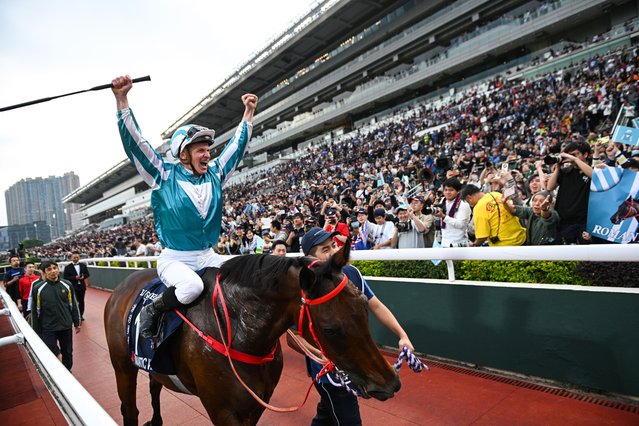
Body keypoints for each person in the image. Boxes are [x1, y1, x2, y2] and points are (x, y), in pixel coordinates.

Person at [111, 74, 258, 338]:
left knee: (250, 269)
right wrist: (122, 100)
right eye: (200, 150)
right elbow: (136, 142)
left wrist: (248, 113)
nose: (207, 154)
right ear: (183, 154)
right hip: (175, 259)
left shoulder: (215, 173)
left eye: (207, 149)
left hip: (207, 254)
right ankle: (153, 310)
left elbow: (236, 149)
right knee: (191, 287)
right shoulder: (161, 175)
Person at [289, 227, 414, 425]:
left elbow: (376, 305)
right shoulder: (305, 287)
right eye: (325, 250)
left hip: (354, 363)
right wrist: (319, 355)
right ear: (310, 259)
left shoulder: (350, 273)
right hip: (329, 376)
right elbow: (293, 337)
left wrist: (402, 335)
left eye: (334, 246)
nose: (333, 252)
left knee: (327, 416)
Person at [30, 261, 81, 371]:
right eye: (49, 269)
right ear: (44, 273)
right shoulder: (38, 288)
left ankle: (67, 371)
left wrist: (77, 322)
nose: (53, 271)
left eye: (55, 268)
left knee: (67, 352)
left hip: (65, 326)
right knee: (51, 351)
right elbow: (35, 311)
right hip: (48, 328)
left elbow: (74, 305)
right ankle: (56, 372)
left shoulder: (67, 285)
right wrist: (35, 330)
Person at [546, 141, 593, 244]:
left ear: (585, 154)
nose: (570, 157)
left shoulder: (593, 168)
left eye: (574, 154)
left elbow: (594, 176)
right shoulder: (566, 171)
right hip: (564, 220)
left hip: (583, 220)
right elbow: (549, 186)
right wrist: (557, 168)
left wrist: (574, 159)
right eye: (569, 155)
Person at [460, 184, 526, 247]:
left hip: (504, 246)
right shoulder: (497, 194)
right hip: (521, 238)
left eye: (468, 202)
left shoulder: (478, 208)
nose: (471, 205)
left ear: (469, 197)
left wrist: (474, 245)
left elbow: (482, 237)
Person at [433, 178, 471, 247]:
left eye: (451, 190)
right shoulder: (443, 200)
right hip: (444, 242)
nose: (447, 192)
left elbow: (461, 224)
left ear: (458, 191)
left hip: (458, 243)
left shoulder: (463, 204)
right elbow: (437, 218)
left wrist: (443, 216)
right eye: (445, 190)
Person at [62, 251, 91, 320]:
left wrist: (83, 277)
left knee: (81, 301)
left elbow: (87, 274)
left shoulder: (83, 265)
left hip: (82, 286)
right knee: (74, 301)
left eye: (77, 257)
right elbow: (65, 277)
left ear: (79, 257)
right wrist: (75, 278)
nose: (76, 258)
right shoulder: (68, 267)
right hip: (73, 287)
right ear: (71, 258)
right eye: (74, 257)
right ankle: (74, 315)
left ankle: (81, 315)